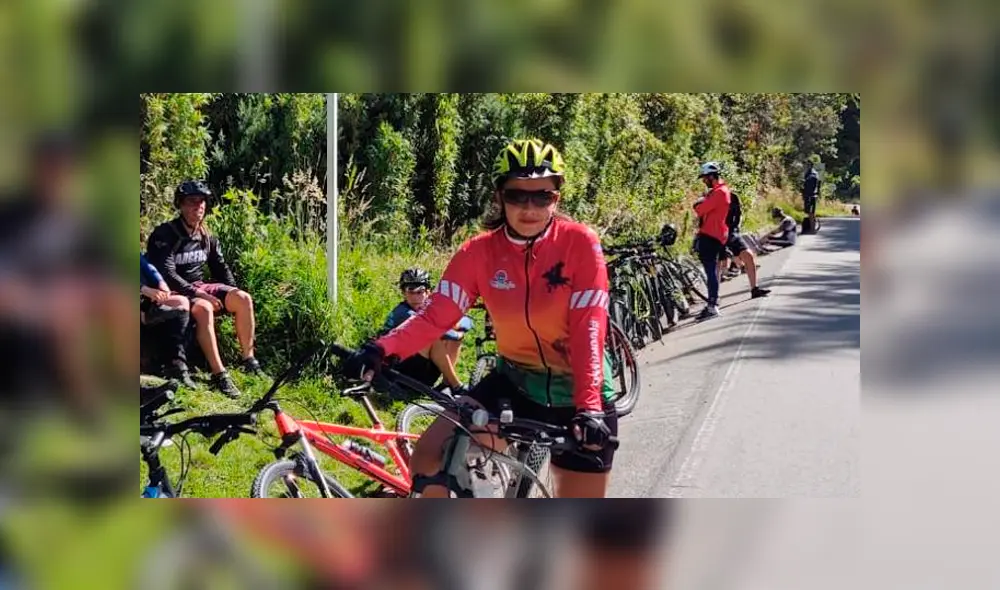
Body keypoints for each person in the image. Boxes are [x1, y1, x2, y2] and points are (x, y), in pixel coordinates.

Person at [345, 139, 618, 498]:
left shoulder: (580, 243)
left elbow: (589, 326)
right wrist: (382, 348)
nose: (530, 207)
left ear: (558, 198)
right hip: (515, 382)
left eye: (543, 196)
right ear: (499, 195)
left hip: (581, 391)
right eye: (518, 195)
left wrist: (589, 408)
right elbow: (435, 315)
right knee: (429, 459)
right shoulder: (478, 253)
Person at [146, 180, 262, 398]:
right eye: (191, 202)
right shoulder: (165, 234)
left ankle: (249, 359)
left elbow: (220, 268)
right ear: (180, 204)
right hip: (172, 290)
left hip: (199, 285)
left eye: (201, 202)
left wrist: (231, 291)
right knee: (204, 308)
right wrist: (200, 294)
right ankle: (220, 374)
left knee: (243, 298)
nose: (197, 207)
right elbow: (167, 274)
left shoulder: (206, 235)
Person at [379, 267, 473, 392]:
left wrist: (456, 323)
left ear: (428, 292)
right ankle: (456, 386)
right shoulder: (403, 312)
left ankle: (446, 383)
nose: (415, 297)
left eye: (420, 291)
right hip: (398, 371)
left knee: (456, 338)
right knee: (432, 338)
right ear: (403, 293)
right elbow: (441, 330)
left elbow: (465, 322)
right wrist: (452, 325)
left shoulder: (430, 311)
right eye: (410, 291)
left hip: (421, 370)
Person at [140, 253, 195, 388]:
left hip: (145, 298)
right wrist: (143, 289)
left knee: (181, 302)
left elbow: (147, 267)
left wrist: (161, 283)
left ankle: (177, 365)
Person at [692, 161, 731, 320]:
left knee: (711, 271)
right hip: (714, 234)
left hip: (711, 235)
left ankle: (712, 305)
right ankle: (713, 301)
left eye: (705, 178)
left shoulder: (719, 192)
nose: (703, 181)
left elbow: (700, 209)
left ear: (711, 176)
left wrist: (698, 202)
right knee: (712, 270)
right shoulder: (719, 191)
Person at [719, 191, 770, 299]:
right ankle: (713, 299)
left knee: (748, 256)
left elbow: (738, 216)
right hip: (717, 234)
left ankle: (754, 289)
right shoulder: (711, 198)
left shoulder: (733, 196)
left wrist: (735, 230)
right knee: (718, 265)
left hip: (732, 233)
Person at [802, 161, 821, 233]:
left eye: (807, 165)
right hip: (811, 195)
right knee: (810, 212)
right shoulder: (813, 173)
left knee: (810, 213)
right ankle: (812, 227)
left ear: (810, 165)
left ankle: (812, 229)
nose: (806, 166)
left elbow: (809, 186)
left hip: (810, 195)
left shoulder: (812, 174)